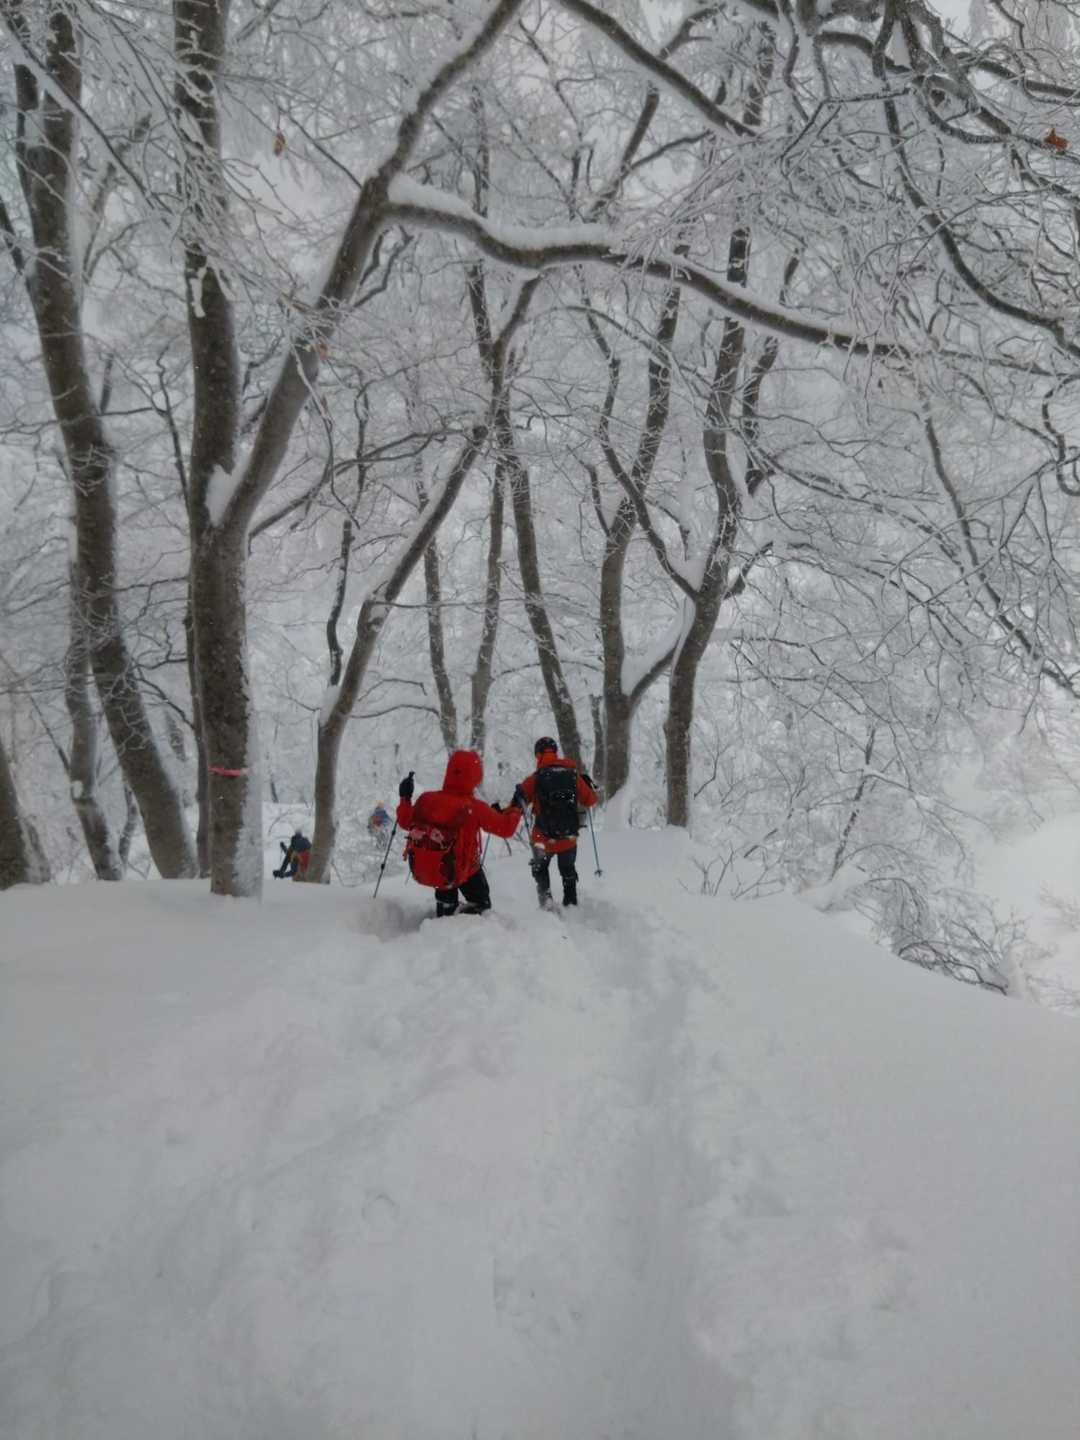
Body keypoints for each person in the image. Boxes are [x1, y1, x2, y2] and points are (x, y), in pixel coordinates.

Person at [396, 750, 521, 916]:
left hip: (438, 865)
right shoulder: (475, 807)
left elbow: (405, 821)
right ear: (475, 776)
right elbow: (506, 828)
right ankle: (467, 924)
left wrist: (405, 798)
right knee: (481, 904)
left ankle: (444, 919)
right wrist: (516, 808)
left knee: (445, 901)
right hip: (466, 868)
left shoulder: (426, 800)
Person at [513, 736, 598, 908]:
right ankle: (571, 904)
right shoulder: (573, 775)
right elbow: (591, 800)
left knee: (540, 869)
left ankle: (546, 902)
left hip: (542, 838)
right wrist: (587, 785)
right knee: (567, 870)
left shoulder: (535, 779)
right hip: (568, 836)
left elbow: (516, 806)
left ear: (538, 755)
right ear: (555, 752)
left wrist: (503, 808)